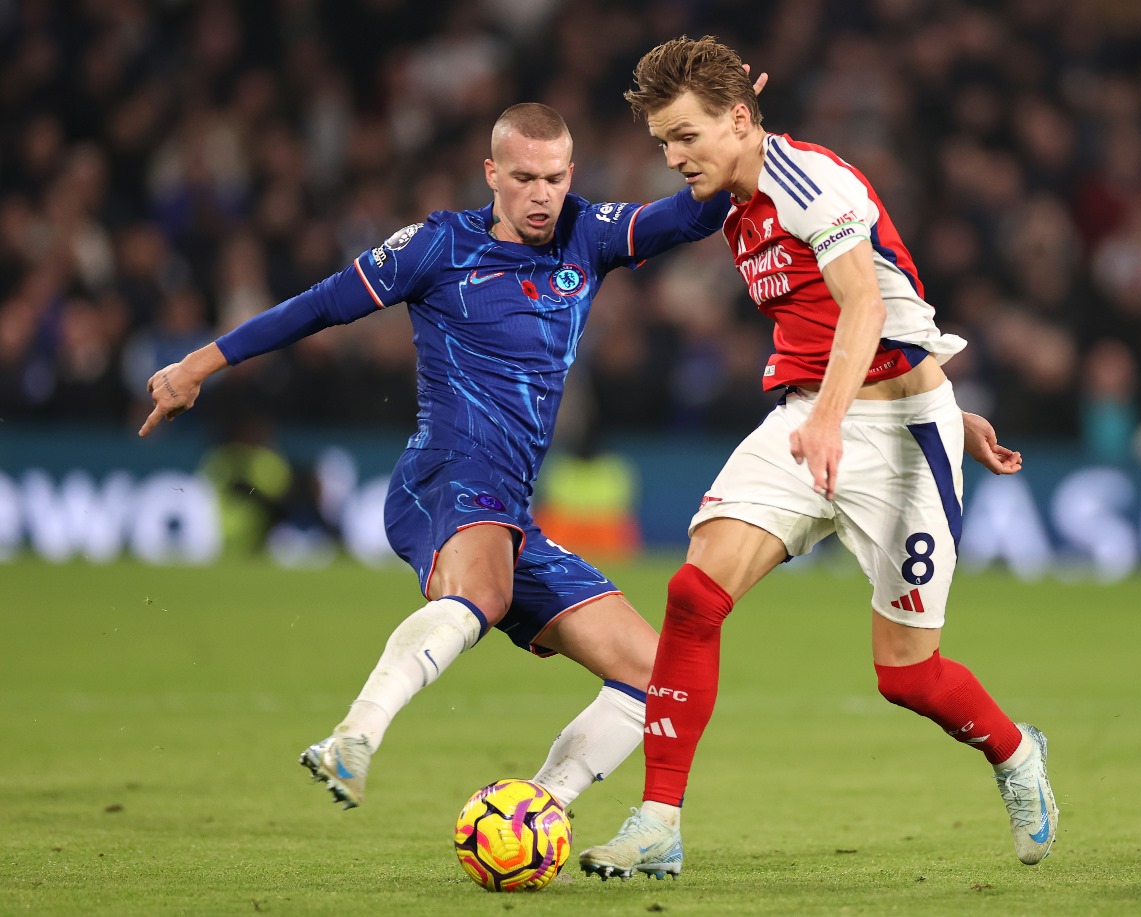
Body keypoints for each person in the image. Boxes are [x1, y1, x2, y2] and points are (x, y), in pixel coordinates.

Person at [138, 101, 740, 813]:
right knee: (480, 595)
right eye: (523, 177)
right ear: (492, 173)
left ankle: (534, 812)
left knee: (654, 670)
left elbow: (697, 214)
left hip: (510, 510)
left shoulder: (590, 233)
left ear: (570, 173)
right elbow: (320, 305)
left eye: (553, 177)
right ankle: (353, 736)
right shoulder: (437, 246)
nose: (541, 194)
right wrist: (200, 364)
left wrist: (736, 135)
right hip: (446, 474)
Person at [579, 36, 1057, 880]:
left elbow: (865, 303)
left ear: (736, 120)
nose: (673, 156)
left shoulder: (811, 180)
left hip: (898, 440)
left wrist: (890, 415)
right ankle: (658, 823)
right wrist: (852, 412)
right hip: (810, 418)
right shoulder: (729, 190)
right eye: (663, 142)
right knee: (694, 594)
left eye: (686, 135)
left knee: (906, 676)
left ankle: (1019, 755)